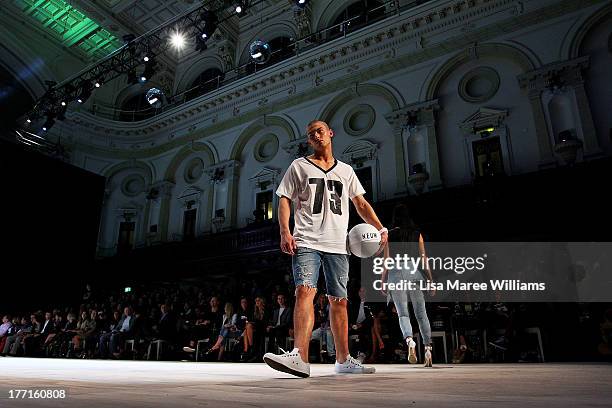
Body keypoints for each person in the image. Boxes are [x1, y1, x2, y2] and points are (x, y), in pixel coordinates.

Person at [263, 119, 388, 377]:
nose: (316, 136)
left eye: (320, 131)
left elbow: (360, 204)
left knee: (339, 301)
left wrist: (380, 227)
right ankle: (300, 356)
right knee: (304, 291)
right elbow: (284, 199)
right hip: (306, 239)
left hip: (338, 244)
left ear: (330, 133)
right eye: (311, 134)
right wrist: (285, 231)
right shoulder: (299, 166)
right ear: (309, 140)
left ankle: (343, 360)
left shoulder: (346, 170)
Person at [381, 203, 434, 367]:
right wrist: (431, 280)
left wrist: (383, 281)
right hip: (414, 272)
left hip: (396, 274)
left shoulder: (389, 235)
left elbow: (387, 261)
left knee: (403, 314)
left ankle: (410, 340)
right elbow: (424, 259)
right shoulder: (417, 234)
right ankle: (427, 348)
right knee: (421, 313)